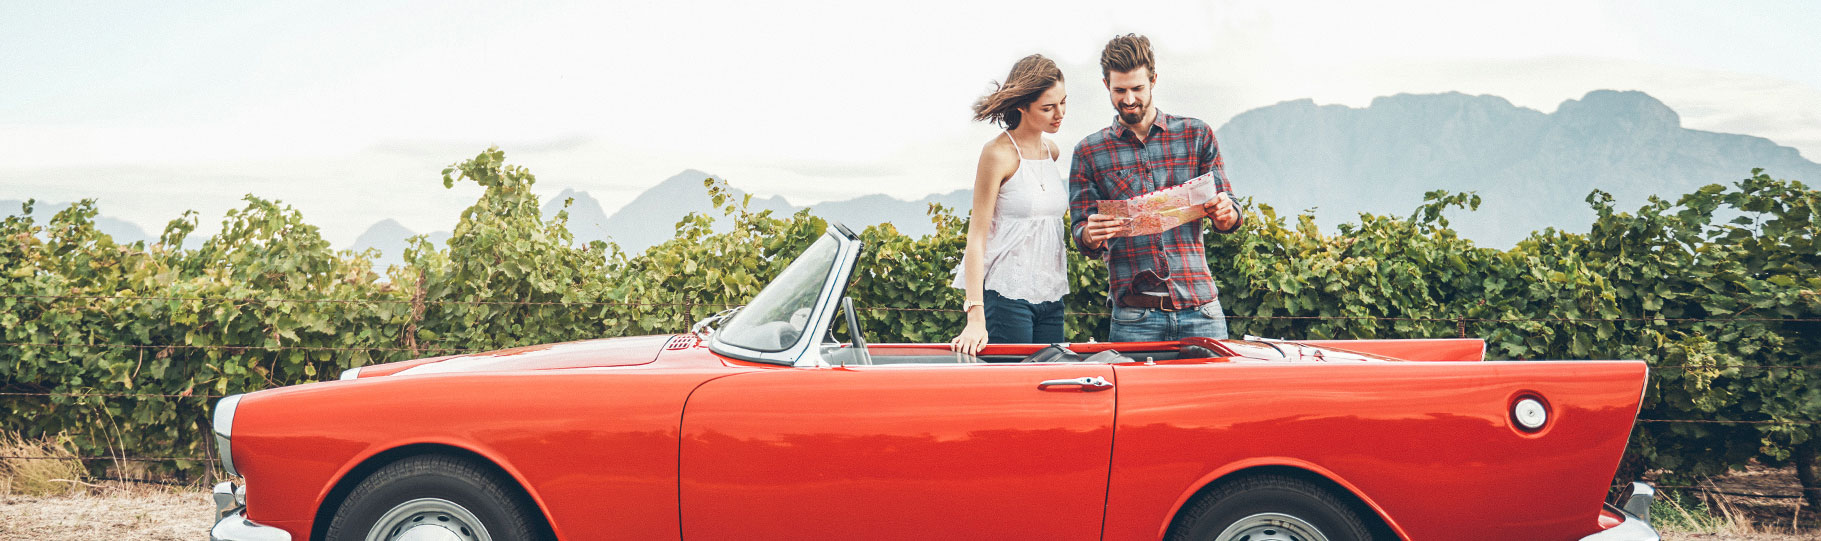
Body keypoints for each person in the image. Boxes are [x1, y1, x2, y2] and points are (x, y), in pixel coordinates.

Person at [1069, 34, 1243, 342]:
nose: (1129, 99)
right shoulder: (1089, 152)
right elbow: (1082, 234)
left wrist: (1226, 213)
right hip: (1135, 318)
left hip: (1202, 311)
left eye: (1137, 89)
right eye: (1119, 90)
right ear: (1106, 85)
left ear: (1153, 80)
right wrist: (1090, 235)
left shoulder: (1196, 135)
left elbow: (1229, 212)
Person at [948, 54, 1070, 356]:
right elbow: (976, 237)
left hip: (1052, 299)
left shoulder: (1051, 151)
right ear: (1021, 106)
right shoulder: (997, 154)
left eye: (1063, 102)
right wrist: (975, 316)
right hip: (1006, 298)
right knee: (1013, 395)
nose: (1060, 113)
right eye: (1048, 107)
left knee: (1050, 391)